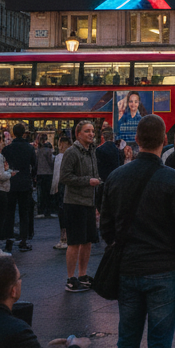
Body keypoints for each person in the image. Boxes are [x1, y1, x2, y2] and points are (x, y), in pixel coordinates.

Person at [100, 114, 175, 348]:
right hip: (163, 270)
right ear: (165, 140)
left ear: (137, 140)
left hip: (128, 269)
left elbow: (105, 227)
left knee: (127, 345)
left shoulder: (117, 176)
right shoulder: (172, 178)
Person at [60, 121, 101, 291]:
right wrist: (87, 181)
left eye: (92, 131)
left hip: (89, 202)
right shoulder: (71, 152)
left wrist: (96, 204)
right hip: (74, 203)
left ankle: (82, 275)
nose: (91, 134)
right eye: (87, 131)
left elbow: (95, 175)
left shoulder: (92, 151)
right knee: (75, 242)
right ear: (78, 134)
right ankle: (71, 279)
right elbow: (65, 177)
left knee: (88, 241)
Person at [3, 124, 37, 254]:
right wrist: (32, 178)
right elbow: (34, 165)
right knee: (24, 213)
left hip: (10, 182)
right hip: (24, 182)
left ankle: (9, 240)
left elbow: (3, 165)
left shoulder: (7, 149)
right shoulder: (29, 148)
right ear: (24, 133)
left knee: (9, 212)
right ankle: (23, 240)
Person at [36, 134, 55, 218]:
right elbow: (51, 162)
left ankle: (41, 210)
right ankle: (48, 211)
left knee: (41, 193)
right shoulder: (48, 150)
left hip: (39, 173)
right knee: (47, 193)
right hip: (48, 173)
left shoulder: (38, 150)